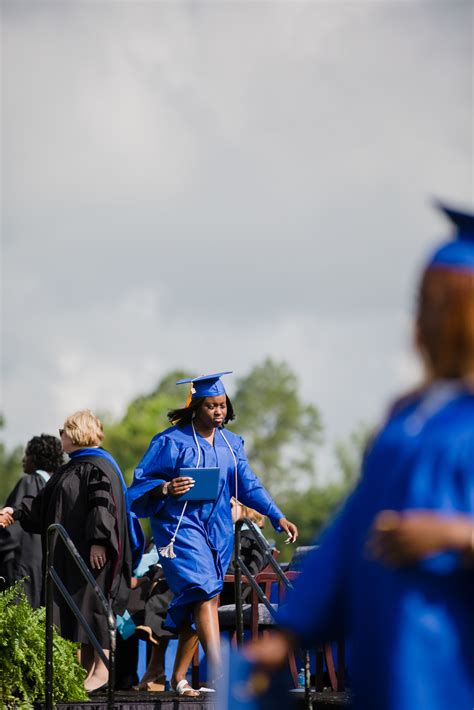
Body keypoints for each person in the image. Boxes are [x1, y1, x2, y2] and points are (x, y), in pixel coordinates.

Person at [246, 202, 474, 710]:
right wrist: (289, 632)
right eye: (423, 302)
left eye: (441, 304)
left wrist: (455, 536)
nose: (424, 319)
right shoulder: (406, 421)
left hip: (454, 666)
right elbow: (350, 535)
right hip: (390, 664)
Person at [127, 371, 298, 697]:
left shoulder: (232, 446)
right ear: (196, 408)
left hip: (217, 530)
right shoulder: (170, 442)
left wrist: (277, 515)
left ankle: (177, 678)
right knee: (203, 587)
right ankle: (224, 673)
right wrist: (166, 487)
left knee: (205, 596)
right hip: (179, 528)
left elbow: (249, 485)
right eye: (211, 406)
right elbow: (138, 487)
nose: (218, 412)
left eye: (222, 406)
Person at [0, 410, 133, 693]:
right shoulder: (71, 467)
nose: (61, 435)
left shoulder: (98, 466)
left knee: (94, 607)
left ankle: (103, 669)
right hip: (72, 555)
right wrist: (15, 511)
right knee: (77, 611)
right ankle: (84, 672)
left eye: (64, 430)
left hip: (92, 554)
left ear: (75, 432)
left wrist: (99, 540)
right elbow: (42, 504)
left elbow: (102, 506)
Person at [0, 434, 64, 606]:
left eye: (27, 454)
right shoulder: (57, 488)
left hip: (21, 570)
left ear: (36, 458)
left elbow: (9, 533)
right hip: (44, 571)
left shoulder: (29, 482)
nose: (24, 460)